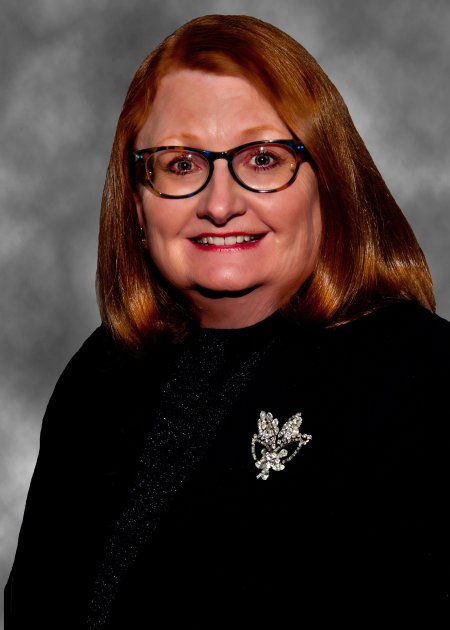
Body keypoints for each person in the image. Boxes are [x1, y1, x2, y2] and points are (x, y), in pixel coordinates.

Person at [5, 13, 450, 629]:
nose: (219, 204)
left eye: (263, 159)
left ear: (329, 183)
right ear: (136, 201)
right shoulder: (100, 374)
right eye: (181, 164)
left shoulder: (422, 376)